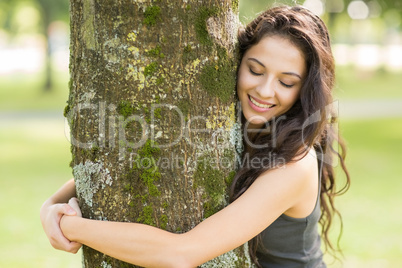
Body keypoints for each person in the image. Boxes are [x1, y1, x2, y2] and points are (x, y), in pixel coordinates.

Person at [40, 5, 350, 267]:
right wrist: (50, 208)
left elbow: (180, 253)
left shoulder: (295, 164)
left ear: (304, 90)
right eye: (255, 70)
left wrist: (70, 226)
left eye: (286, 82)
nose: (265, 90)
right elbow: (87, 181)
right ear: (236, 62)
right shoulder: (231, 125)